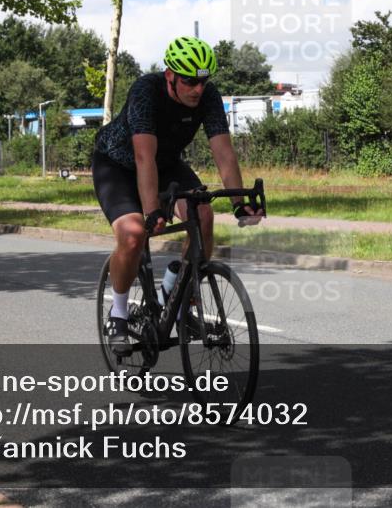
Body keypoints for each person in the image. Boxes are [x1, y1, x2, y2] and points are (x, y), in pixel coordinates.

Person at [93, 36, 264, 355]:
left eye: (203, 81)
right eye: (189, 82)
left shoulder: (208, 96)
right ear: (170, 75)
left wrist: (240, 203)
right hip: (117, 165)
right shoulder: (146, 91)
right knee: (132, 236)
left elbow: (224, 152)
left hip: (167, 165)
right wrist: (152, 211)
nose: (197, 89)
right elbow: (144, 157)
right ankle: (117, 315)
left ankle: (182, 301)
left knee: (204, 215)